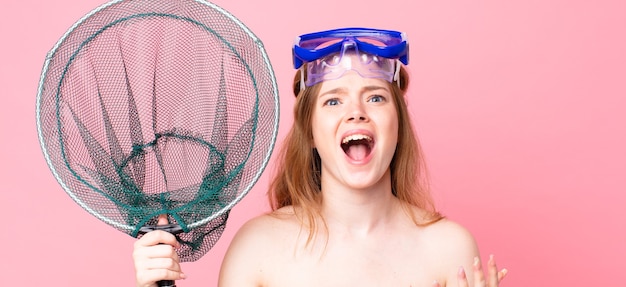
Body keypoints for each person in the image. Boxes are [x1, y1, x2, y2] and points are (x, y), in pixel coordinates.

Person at [133, 27, 508, 287]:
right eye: (333, 101)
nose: (356, 112)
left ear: (399, 124)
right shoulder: (258, 246)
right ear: (311, 132)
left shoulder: (450, 248)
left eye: (375, 97)